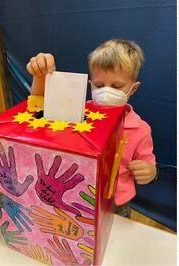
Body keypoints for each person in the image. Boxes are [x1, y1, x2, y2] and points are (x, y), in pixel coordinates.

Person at [26, 39, 157, 218]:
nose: (106, 92)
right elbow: (39, 106)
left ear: (133, 89)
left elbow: (148, 162)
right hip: (78, 198)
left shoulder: (140, 129)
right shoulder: (78, 110)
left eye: (117, 86)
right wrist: (40, 75)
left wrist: (150, 172)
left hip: (117, 204)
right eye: (99, 85)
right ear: (91, 84)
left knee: (115, 240)